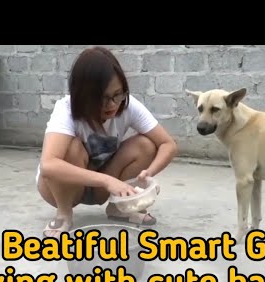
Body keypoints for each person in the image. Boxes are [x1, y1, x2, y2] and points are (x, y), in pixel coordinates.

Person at [36, 46, 178, 238]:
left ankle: (118, 208)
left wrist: (148, 173)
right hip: (61, 190)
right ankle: (63, 213)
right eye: (102, 98)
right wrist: (108, 181)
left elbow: (167, 144)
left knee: (145, 145)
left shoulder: (128, 105)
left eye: (118, 94)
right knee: (70, 148)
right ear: (83, 95)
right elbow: (49, 165)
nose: (112, 104)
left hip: (101, 188)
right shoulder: (66, 109)